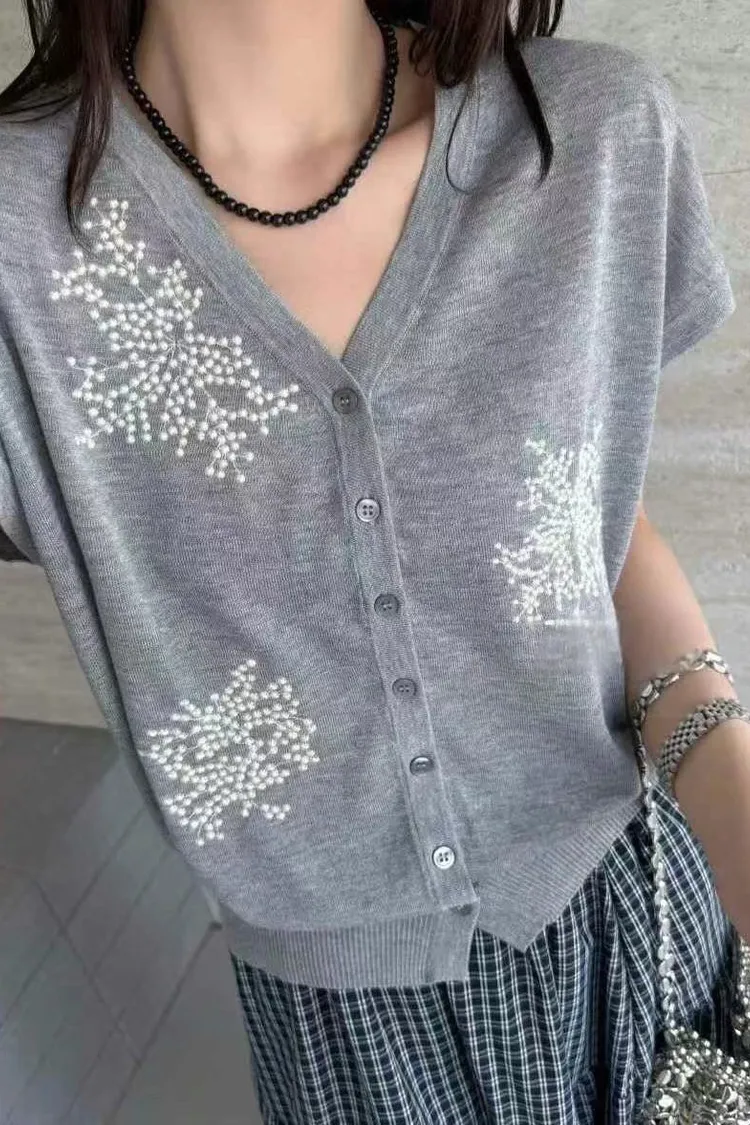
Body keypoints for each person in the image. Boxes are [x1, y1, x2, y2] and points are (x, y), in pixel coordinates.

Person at [0, 1, 747, 1121]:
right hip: (342, 1037)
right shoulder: (20, 240)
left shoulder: (589, 139)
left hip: (639, 921)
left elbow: (585, 522)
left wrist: (728, 783)